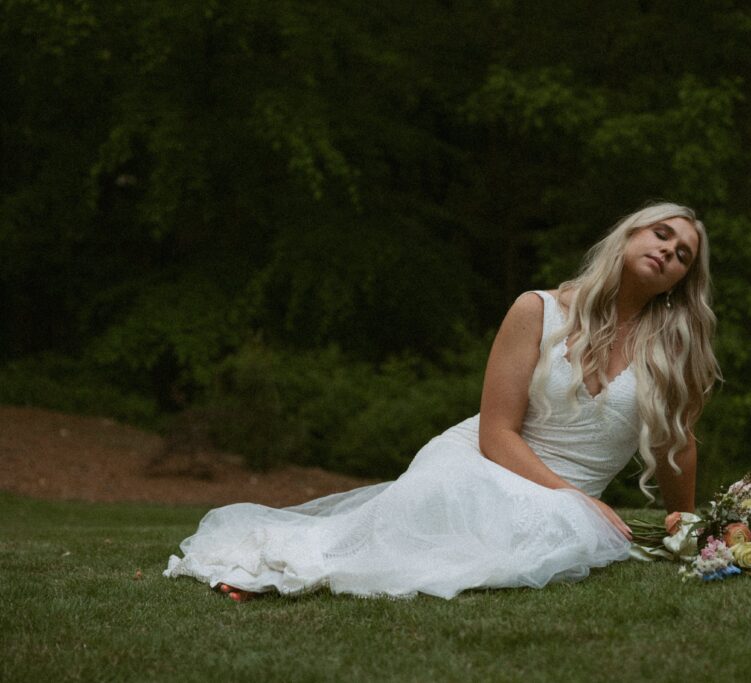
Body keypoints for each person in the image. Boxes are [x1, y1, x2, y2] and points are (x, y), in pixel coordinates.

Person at [164, 201, 721, 601]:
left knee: (547, 537)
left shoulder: (675, 350)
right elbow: (496, 433)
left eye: (682, 254)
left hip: (567, 505)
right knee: (431, 530)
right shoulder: (538, 310)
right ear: (629, 236)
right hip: (482, 462)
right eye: (661, 234)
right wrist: (579, 499)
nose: (668, 251)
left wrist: (689, 527)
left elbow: (679, 444)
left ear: (679, 281)